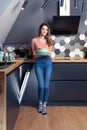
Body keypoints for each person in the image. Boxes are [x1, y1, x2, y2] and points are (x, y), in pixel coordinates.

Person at [31, 22, 53, 115]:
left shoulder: (49, 41)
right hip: (38, 63)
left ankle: (44, 105)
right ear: (40, 29)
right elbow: (33, 53)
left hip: (48, 62)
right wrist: (38, 54)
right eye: (43, 29)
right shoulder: (34, 40)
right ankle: (40, 104)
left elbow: (50, 53)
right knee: (41, 85)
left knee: (46, 86)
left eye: (46, 30)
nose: (45, 31)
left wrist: (48, 53)